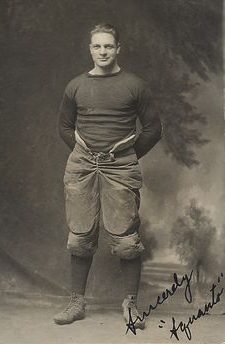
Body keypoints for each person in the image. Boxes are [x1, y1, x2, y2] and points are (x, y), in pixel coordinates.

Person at [54, 23, 162, 329]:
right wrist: (82, 154)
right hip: (82, 165)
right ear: (90, 49)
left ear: (118, 49)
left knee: (126, 240)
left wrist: (126, 157)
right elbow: (64, 126)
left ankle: (131, 305)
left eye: (108, 46)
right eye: (97, 46)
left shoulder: (135, 85)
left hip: (120, 166)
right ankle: (76, 303)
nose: (103, 51)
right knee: (79, 236)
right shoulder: (75, 85)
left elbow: (154, 129)